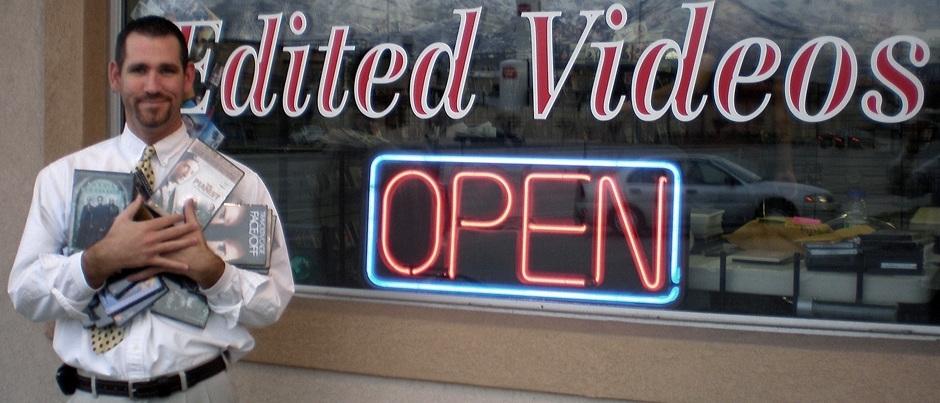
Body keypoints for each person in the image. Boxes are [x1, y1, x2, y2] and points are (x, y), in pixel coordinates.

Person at [8, 16, 294, 402]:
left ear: (188, 78)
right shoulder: (63, 178)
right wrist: (95, 262)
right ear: (116, 76)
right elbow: (25, 294)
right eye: (139, 70)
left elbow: (272, 303)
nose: (152, 85)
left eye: (167, 71)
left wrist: (214, 273)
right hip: (96, 395)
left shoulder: (239, 184)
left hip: (198, 392)